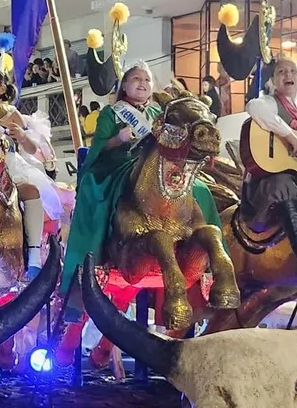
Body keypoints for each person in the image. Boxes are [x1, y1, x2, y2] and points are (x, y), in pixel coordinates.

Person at [59, 61, 222, 299]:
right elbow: (99, 148)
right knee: (96, 190)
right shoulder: (110, 113)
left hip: (161, 167)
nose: (142, 84)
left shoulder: (160, 114)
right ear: (124, 85)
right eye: (136, 79)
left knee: (200, 188)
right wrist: (117, 139)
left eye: (146, 80)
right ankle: (94, 256)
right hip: (119, 163)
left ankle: (208, 266)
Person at [0, 47, 60, 277]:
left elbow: (31, 149)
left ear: (2, 89)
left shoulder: (12, 114)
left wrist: (21, 135)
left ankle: (32, 253)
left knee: (31, 191)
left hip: (7, 168)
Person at [239, 58, 297, 261]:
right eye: (282, 72)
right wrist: (288, 135)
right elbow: (253, 106)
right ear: (272, 80)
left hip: (295, 176)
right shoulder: (270, 102)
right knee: (282, 185)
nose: (288, 75)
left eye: (292, 71)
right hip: (266, 181)